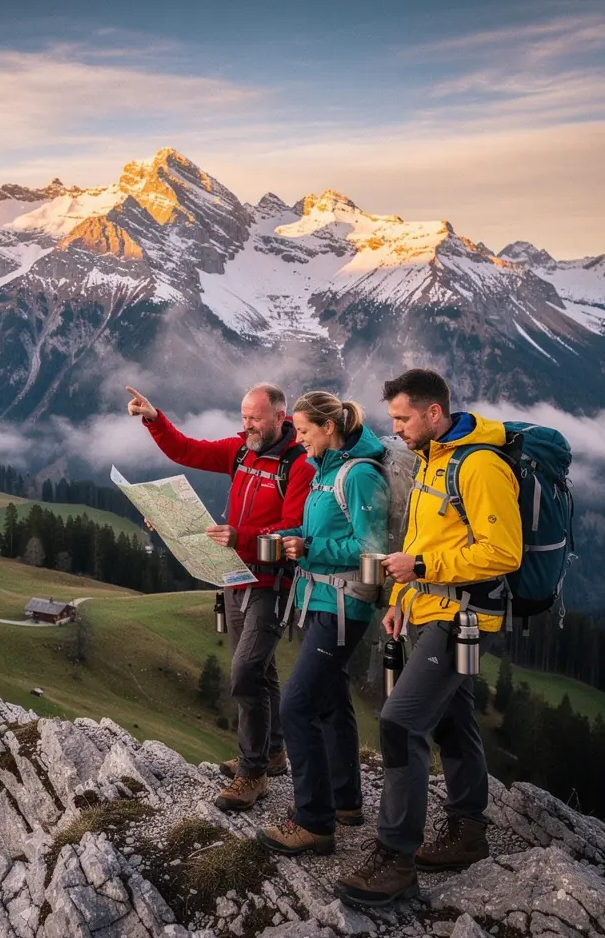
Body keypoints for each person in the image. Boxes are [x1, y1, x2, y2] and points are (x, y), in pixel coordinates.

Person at [335, 368, 522, 906]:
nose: (395, 429)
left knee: (400, 721)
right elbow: (419, 539)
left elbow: (502, 552)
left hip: (462, 617)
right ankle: (468, 831)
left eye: (402, 418)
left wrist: (418, 566)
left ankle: (396, 858)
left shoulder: (480, 466)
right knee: (451, 718)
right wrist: (398, 602)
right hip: (429, 609)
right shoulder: (431, 460)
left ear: (434, 412)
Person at [126, 382, 313, 812]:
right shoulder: (241, 450)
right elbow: (187, 451)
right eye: (243, 417)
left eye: (254, 419)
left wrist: (239, 537)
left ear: (280, 418)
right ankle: (274, 752)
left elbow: (293, 531)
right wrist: (155, 420)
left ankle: (252, 774)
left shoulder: (298, 465)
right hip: (234, 578)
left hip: (271, 583)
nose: (245, 425)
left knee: (245, 672)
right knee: (261, 671)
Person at [254, 391, 389, 856]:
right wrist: (292, 539)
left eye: (306, 431)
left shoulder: (360, 476)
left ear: (329, 430)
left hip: (345, 605)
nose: (300, 438)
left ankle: (313, 821)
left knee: (296, 707)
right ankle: (346, 800)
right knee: (331, 701)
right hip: (318, 599)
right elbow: (323, 532)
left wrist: (310, 548)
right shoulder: (323, 471)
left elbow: (371, 548)